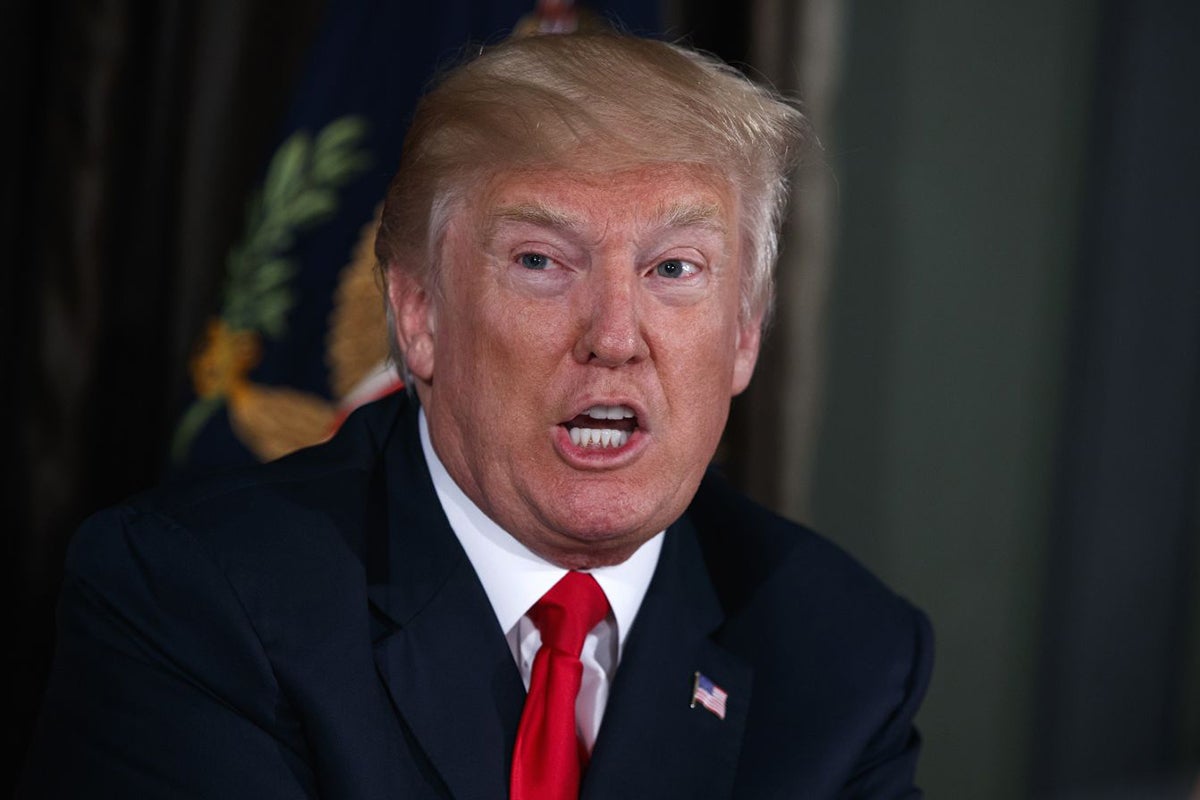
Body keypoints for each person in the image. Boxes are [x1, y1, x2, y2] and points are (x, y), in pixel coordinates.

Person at [21, 32, 932, 799]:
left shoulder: (845, 657)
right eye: (541, 262)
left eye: (673, 269)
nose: (615, 337)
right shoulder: (193, 599)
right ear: (419, 313)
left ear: (745, 334)